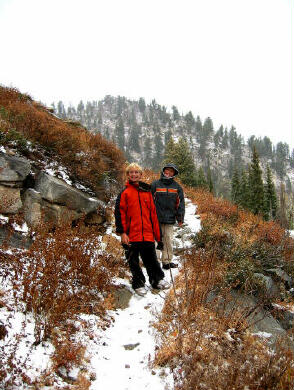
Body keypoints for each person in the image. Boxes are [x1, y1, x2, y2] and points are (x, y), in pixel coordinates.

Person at [114, 163, 170, 296]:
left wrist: (158, 236)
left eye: (136, 172)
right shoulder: (124, 193)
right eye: (131, 172)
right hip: (131, 235)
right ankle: (138, 283)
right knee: (133, 261)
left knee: (151, 259)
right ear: (128, 175)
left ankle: (156, 280)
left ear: (140, 175)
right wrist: (122, 233)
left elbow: (153, 215)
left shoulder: (147, 192)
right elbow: (119, 214)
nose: (134, 174)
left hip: (147, 234)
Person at [151, 163, 185, 269]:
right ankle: (154, 262)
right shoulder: (155, 185)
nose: (168, 173)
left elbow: (180, 204)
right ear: (163, 171)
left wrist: (180, 218)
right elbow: (148, 201)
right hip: (156, 218)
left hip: (170, 218)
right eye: (167, 170)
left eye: (171, 171)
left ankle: (167, 262)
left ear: (174, 173)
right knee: (156, 240)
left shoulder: (177, 187)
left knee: (168, 240)